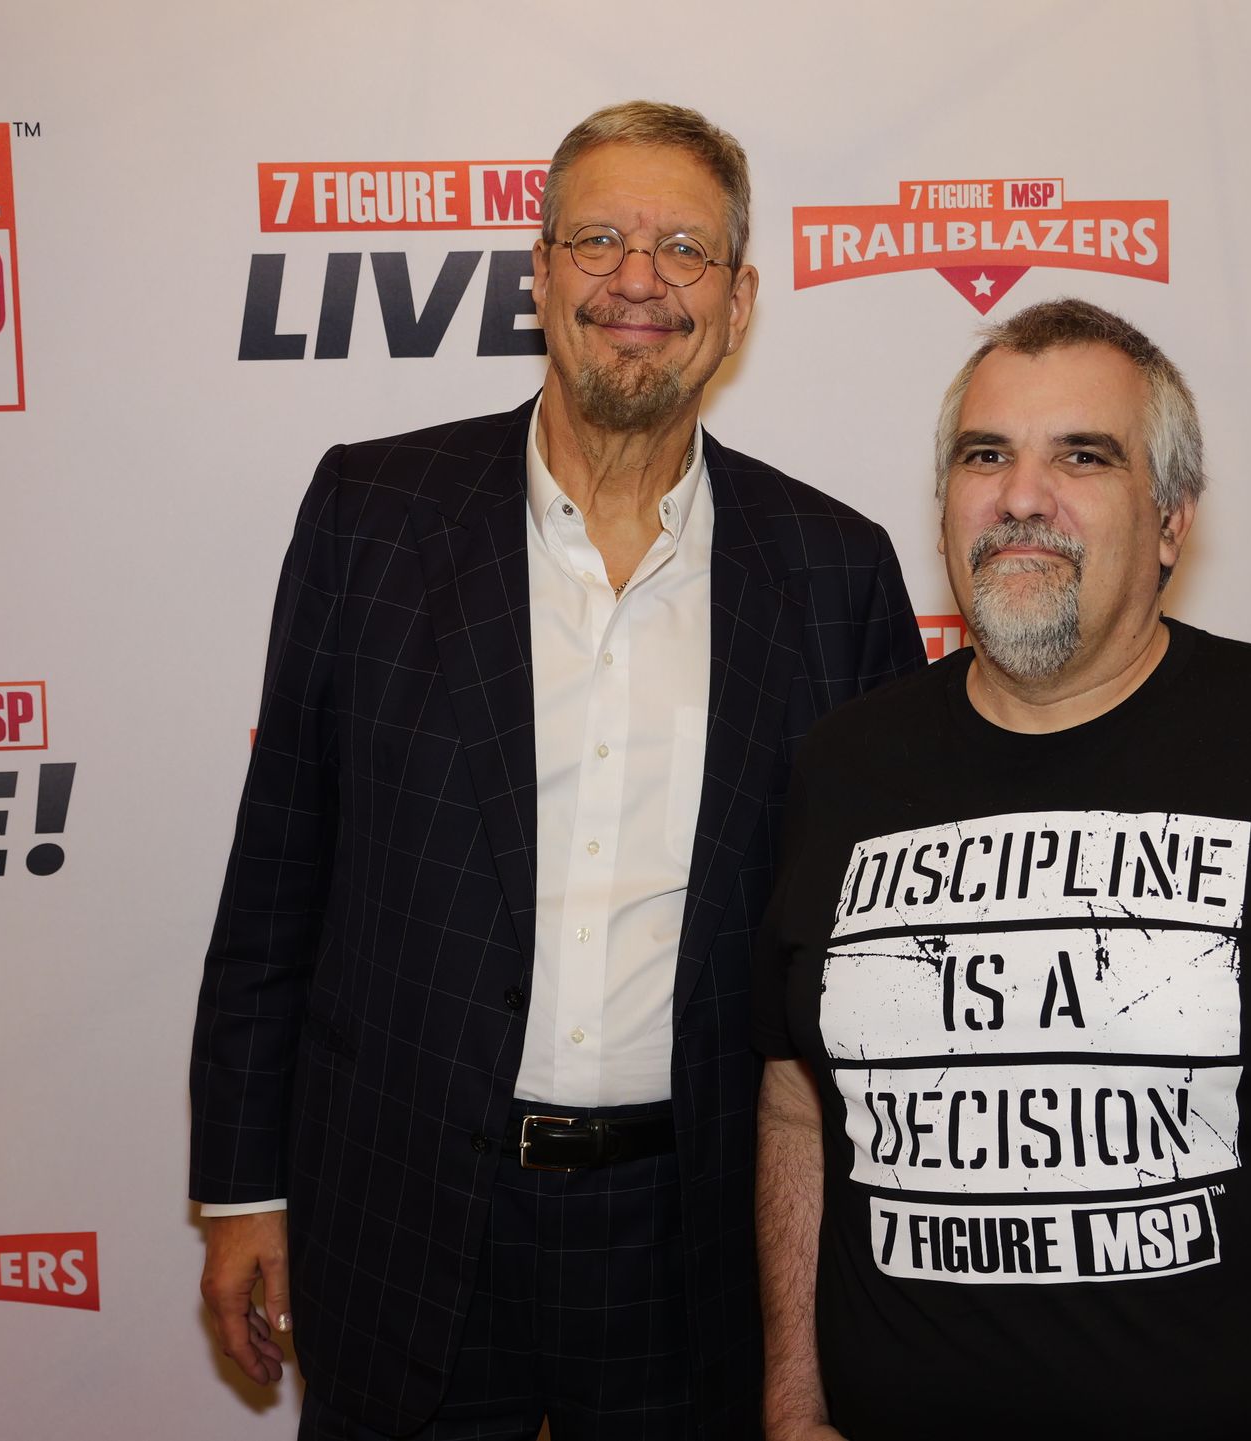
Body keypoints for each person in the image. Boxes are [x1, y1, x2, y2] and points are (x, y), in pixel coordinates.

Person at [190, 100, 925, 1441]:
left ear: (741, 299)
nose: (637, 278)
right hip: (407, 1212)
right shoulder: (374, 514)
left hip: (693, 1238)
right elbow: (281, 866)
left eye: (684, 250)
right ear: (538, 273)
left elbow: (863, 962)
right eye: (597, 238)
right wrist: (244, 1189)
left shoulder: (836, 571)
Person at [753, 298, 1251, 1441]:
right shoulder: (846, 766)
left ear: (1172, 518)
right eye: (986, 455)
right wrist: (796, 1407)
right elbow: (797, 1108)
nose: (1022, 495)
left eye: (1082, 456)